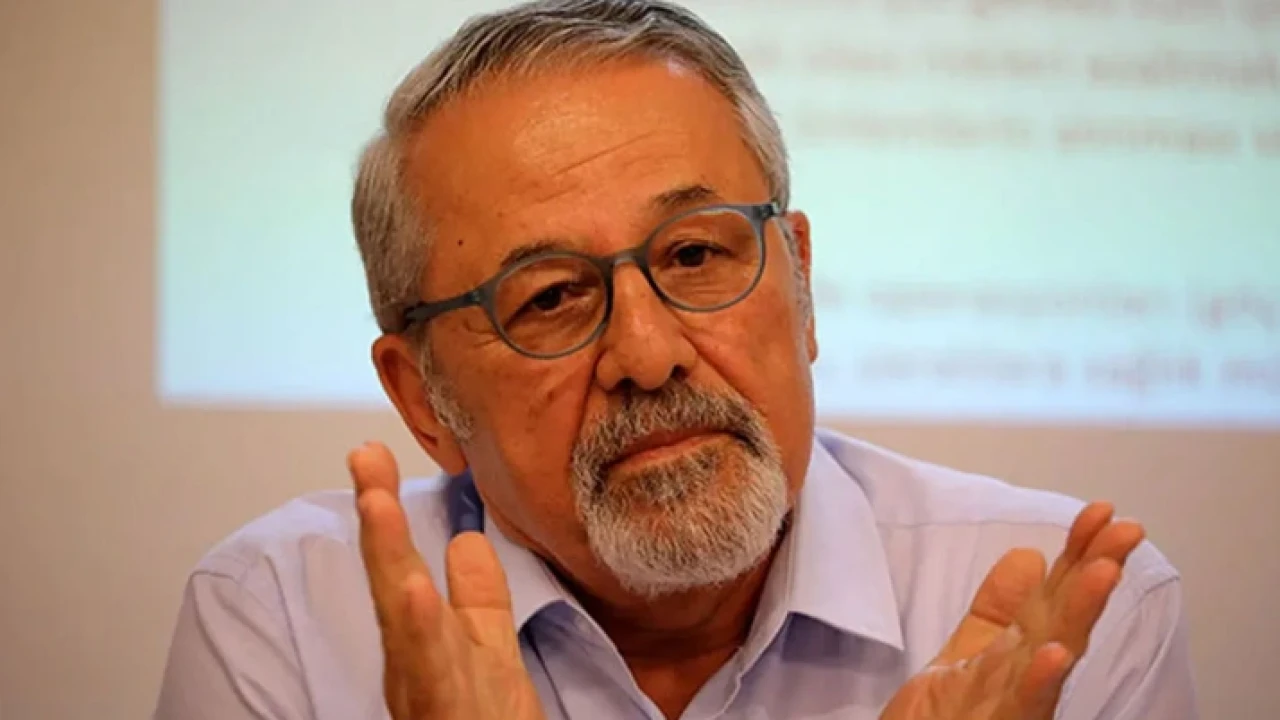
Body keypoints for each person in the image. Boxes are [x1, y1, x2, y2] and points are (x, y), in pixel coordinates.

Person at [153, 1, 1198, 718]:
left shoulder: (1059, 618)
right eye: (549, 298)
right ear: (421, 399)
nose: (647, 356)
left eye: (695, 255)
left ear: (798, 281)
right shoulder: (286, 617)